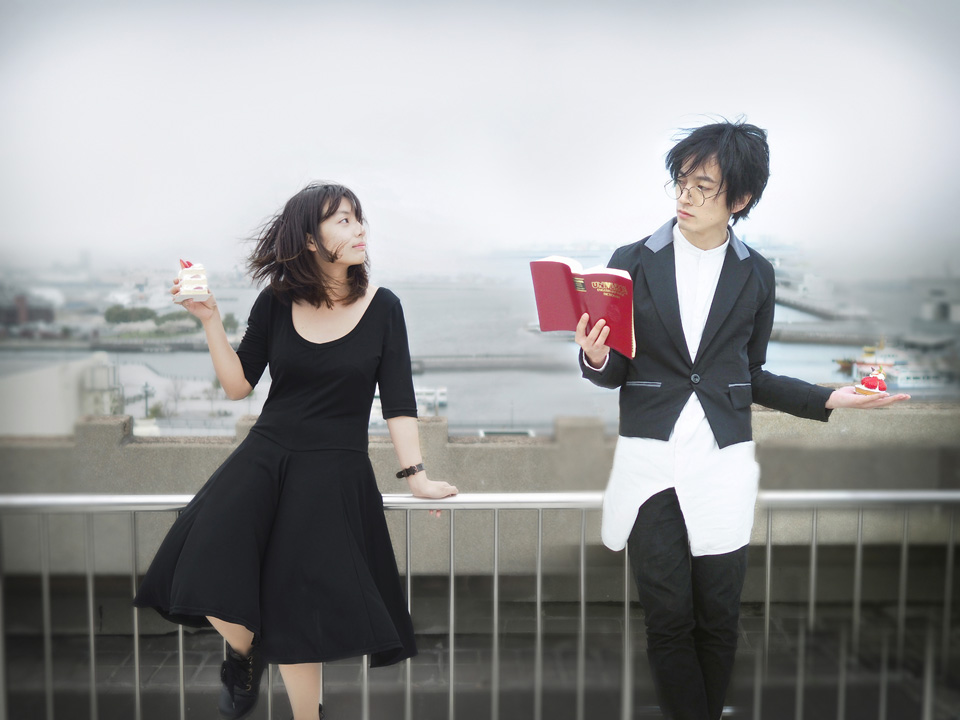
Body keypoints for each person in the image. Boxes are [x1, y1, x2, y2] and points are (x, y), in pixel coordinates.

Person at [574, 120, 909, 720]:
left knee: (719, 617)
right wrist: (595, 355)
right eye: (681, 181)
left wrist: (829, 397)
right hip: (650, 463)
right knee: (667, 619)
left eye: (703, 186)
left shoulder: (757, 273)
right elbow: (616, 369)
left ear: (741, 198)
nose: (685, 196)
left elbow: (750, 374)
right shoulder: (631, 261)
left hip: (723, 462)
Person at [134, 182, 458, 720]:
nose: (359, 230)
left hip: (334, 470)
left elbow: (399, 401)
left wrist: (416, 475)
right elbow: (239, 386)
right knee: (196, 563)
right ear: (310, 239)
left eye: (358, 218)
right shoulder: (276, 302)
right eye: (343, 220)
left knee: (296, 614)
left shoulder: (384, 307)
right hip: (265, 456)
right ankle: (244, 656)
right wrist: (210, 319)